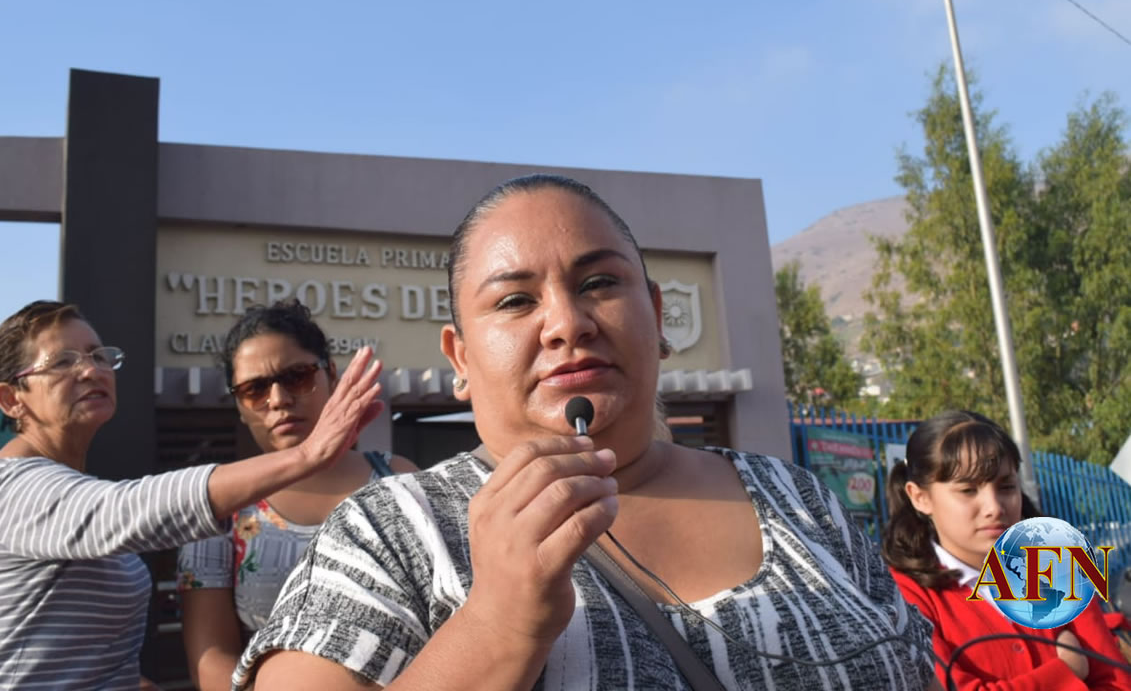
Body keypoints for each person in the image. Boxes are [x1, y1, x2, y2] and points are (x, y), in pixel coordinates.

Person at [234, 173, 937, 690]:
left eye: (599, 283)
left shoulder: (797, 498)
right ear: (460, 357)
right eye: (514, 300)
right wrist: (496, 627)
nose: (567, 323)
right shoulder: (386, 534)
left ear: (656, 317)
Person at [0, 300, 384, 690]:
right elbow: (123, 509)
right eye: (63, 361)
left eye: (98, 355)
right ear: (11, 398)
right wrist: (306, 455)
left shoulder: (72, 489)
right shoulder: (10, 488)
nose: (90, 369)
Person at [177, 300, 417, 691]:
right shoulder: (218, 514)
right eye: (254, 389)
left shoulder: (398, 481)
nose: (278, 399)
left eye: (297, 377)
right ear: (239, 406)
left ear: (331, 375)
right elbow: (212, 663)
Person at [883, 410, 1131, 690]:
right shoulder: (901, 595)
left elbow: (1116, 682)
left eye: (1006, 487)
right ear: (920, 497)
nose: (995, 508)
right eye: (968, 490)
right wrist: (1068, 670)